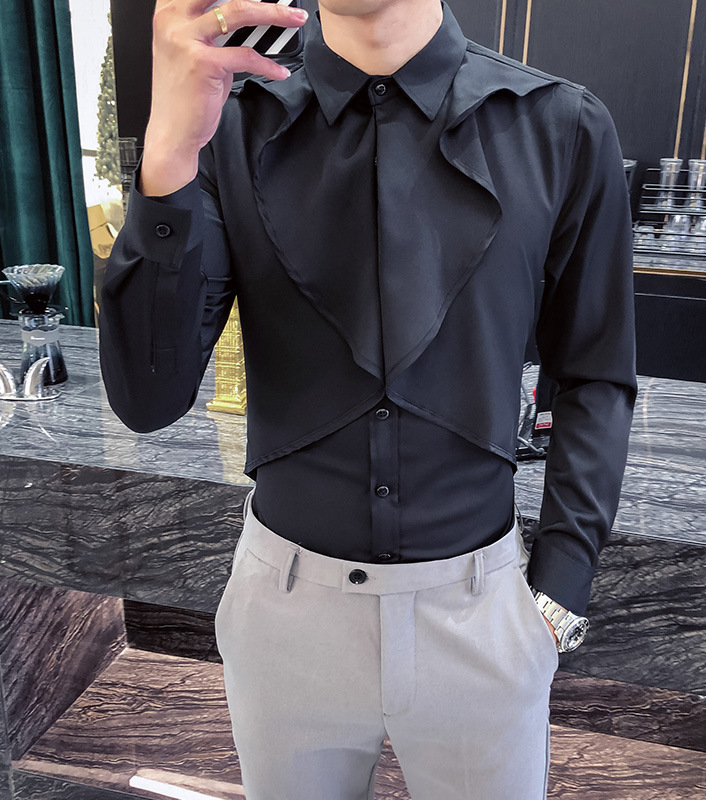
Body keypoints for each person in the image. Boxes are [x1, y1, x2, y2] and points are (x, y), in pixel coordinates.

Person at [99, 0, 637, 797]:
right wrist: (171, 152)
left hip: (482, 614)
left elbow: (595, 373)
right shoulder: (229, 124)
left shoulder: (560, 125)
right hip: (284, 619)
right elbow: (147, 399)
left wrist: (558, 591)